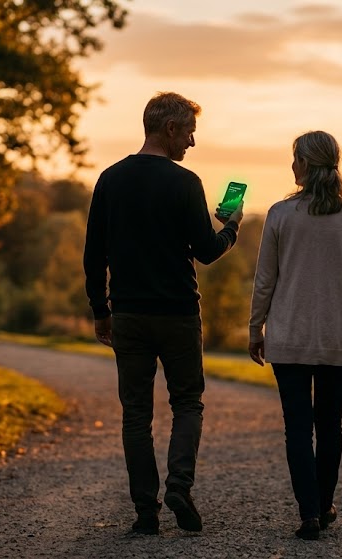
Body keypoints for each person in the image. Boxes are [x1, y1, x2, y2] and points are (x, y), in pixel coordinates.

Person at [83, 91, 244, 536]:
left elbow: (94, 254)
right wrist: (232, 226)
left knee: (136, 413)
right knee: (187, 402)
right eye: (189, 132)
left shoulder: (110, 179)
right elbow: (207, 251)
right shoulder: (185, 183)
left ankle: (145, 512)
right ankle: (179, 486)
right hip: (178, 315)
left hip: (129, 315)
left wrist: (100, 310)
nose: (192, 142)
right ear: (170, 128)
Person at [248, 130, 342, 540]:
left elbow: (265, 280)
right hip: (336, 339)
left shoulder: (279, 214)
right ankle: (323, 506)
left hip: (288, 336)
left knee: (297, 428)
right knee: (330, 425)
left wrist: (255, 327)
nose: (292, 165)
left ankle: (308, 512)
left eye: (295, 158)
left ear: (305, 164)